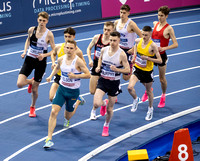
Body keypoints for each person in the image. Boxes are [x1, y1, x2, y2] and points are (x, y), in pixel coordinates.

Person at [43, 40, 90, 148]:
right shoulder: (60, 59)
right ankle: (49, 139)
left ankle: (78, 101)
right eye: (67, 48)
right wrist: (50, 76)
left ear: (75, 49)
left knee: (67, 116)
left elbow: (88, 75)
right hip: (62, 89)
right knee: (54, 112)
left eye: (71, 48)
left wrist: (75, 76)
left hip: (73, 92)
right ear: (64, 48)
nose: (69, 50)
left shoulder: (78, 62)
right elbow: (57, 67)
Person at [90, 31, 130, 136]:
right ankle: (104, 103)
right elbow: (100, 59)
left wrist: (117, 69)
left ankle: (106, 125)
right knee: (96, 103)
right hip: (103, 80)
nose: (112, 42)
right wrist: (98, 67)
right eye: (111, 40)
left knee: (110, 109)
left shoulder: (122, 54)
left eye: (114, 41)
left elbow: (127, 70)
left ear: (119, 41)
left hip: (114, 83)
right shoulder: (104, 50)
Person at [17, 11, 55, 117]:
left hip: (40, 62)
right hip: (29, 59)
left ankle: (32, 107)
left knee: (35, 89)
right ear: (37, 20)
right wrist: (25, 51)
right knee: (19, 84)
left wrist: (44, 55)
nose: (41, 22)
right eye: (40, 20)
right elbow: (28, 40)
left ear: (47, 21)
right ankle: (30, 81)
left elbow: (53, 50)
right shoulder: (31, 29)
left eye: (44, 21)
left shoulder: (49, 34)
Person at [141, 6, 178, 108]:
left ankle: (163, 95)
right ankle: (148, 90)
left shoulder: (169, 28)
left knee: (162, 79)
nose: (159, 17)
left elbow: (176, 44)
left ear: (166, 16)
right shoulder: (155, 24)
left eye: (162, 16)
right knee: (144, 76)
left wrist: (164, 48)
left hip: (161, 56)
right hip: (152, 54)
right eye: (158, 15)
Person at [49, 27, 86, 127]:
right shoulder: (59, 47)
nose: (67, 38)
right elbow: (53, 54)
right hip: (59, 77)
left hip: (71, 81)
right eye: (65, 36)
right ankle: (67, 101)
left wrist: (76, 72)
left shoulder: (78, 52)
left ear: (74, 37)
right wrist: (53, 62)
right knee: (51, 97)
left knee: (68, 113)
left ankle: (77, 101)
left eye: (69, 36)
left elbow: (84, 65)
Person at [128, 26, 162, 121]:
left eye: (146, 35)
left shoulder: (153, 46)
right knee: (130, 87)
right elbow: (135, 47)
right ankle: (136, 99)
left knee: (148, 91)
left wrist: (148, 58)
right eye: (142, 34)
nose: (143, 36)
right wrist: (135, 56)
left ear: (150, 34)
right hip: (137, 69)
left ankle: (150, 109)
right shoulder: (138, 41)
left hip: (147, 72)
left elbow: (159, 60)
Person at [114, 4, 142, 81]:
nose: (122, 15)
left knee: (126, 77)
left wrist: (133, 48)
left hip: (129, 51)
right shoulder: (116, 22)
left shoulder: (131, 24)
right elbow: (113, 36)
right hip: (119, 50)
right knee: (113, 70)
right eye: (121, 12)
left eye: (124, 13)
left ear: (128, 13)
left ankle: (135, 71)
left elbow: (142, 37)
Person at [87, 21, 114, 95]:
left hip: (106, 67)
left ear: (113, 31)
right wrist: (89, 60)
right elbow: (89, 48)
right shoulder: (97, 37)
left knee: (108, 90)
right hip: (95, 65)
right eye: (105, 29)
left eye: (109, 30)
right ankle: (104, 102)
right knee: (92, 91)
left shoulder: (113, 42)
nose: (106, 32)